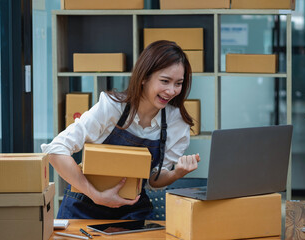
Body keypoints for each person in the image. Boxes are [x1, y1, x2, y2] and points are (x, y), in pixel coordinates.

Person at [41, 40, 200, 219]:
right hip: (83, 207)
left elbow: (154, 180)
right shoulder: (111, 107)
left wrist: (176, 173)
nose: (171, 91)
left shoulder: (176, 122)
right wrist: (96, 195)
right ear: (144, 77)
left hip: (133, 211)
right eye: (165, 81)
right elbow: (55, 151)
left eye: (178, 83)